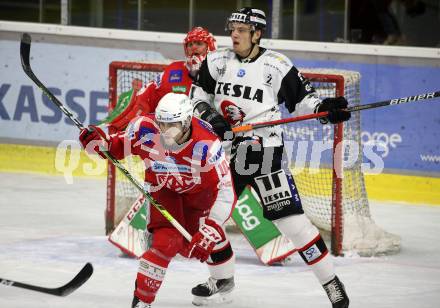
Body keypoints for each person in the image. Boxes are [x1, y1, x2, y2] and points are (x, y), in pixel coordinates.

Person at [190, 7, 350, 308]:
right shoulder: (216, 61)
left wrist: (326, 108)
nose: (234, 34)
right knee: (208, 217)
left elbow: (304, 100)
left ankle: (331, 282)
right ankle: (221, 278)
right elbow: (197, 98)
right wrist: (213, 117)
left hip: (264, 153)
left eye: (242, 30)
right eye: (232, 28)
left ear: (257, 33)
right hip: (224, 153)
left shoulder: (276, 65)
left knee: (293, 224)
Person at [79, 93, 236, 307]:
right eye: (162, 123)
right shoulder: (144, 128)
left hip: (200, 192)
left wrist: (212, 227)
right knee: (166, 242)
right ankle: (142, 301)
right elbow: (113, 147)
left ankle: (223, 280)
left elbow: (226, 190)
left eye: (173, 125)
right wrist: (96, 143)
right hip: (163, 190)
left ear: (187, 121)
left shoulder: (208, 145)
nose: (165, 131)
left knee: (204, 237)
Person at [106, 26, 217, 131]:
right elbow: (147, 98)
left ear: (210, 47)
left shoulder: (222, 74)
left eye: (199, 43)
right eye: (190, 44)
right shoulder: (173, 71)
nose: (193, 47)